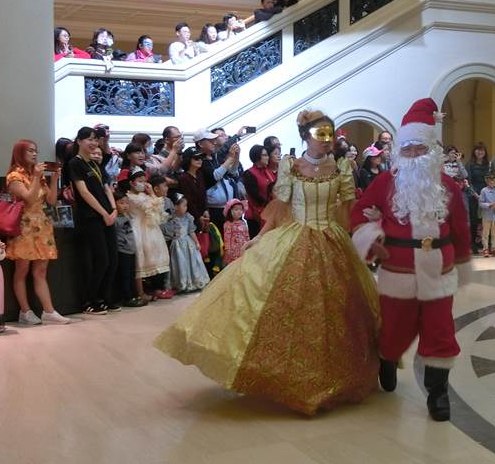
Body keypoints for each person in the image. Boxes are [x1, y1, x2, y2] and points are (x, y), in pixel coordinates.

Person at [155, 109, 380, 415]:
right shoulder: (290, 166)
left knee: (335, 311)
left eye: (330, 133)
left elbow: (348, 210)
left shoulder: (341, 168)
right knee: (286, 307)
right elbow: (280, 208)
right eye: (320, 134)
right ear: (306, 137)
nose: (327, 140)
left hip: (332, 242)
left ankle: (331, 380)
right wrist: (259, 237)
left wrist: (365, 232)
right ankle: (291, 380)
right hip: (295, 239)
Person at [350, 98, 471, 422]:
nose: (415, 155)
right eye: (409, 149)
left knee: (440, 333)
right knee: (393, 331)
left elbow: (460, 227)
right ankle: (387, 359)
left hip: (438, 271)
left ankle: (438, 393)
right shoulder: (384, 183)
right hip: (398, 272)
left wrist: (462, 260)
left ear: (432, 150)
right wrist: (373, 240)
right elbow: (358, 214)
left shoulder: (447, 187)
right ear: (400, 151)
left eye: (421, 148)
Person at [4, 140, 70, 324]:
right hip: (23, 227)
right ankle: (25, 311)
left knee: (40, 271)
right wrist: (35, 176)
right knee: (21, 270)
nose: (34, 154)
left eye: (36, 151)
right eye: (30, 151)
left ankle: (48, 311)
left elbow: (50, 200)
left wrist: (55, 178)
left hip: (42, 226)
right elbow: (29, 198)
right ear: (20, 153)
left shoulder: (38, 175)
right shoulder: (14, 176)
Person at [68, 126, 118, 315]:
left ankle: (104, 298)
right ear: (79, 141)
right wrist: (103, 213)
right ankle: (89, 300)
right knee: (101, 260)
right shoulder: (75, 163)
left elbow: (107, 188)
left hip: (108, 215)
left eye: (95, 140)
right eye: (89, 139)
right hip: (91, 218)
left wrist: (113, 210)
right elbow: (84, 192)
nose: (93, 143)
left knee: (112, 260)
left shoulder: (95, 163)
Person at [126, 169, 172, 301]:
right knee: (140, 260)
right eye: (140, 181)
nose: (143, 184)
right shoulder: (130, 197)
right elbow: (147, 206)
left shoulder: (145, 196)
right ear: (131, 183)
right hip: (138, 229)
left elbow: (158, 209)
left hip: (150, 229)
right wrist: (152, 194)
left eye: (144, 181)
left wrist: (151, 194)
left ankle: (154, 288)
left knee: (151, 258)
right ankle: (140, 292)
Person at [195, 128, 240, 229]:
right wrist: (230, 158)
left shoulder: (214, 156)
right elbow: (215, 176)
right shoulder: (198, 159)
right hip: (213, 209)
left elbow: (232, 172)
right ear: (201, 144)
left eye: (214, 140)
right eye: (210, 141)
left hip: (227, 205)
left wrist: (236, 157)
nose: (214, 143)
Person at [168, 195, 210, 292]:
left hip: (188, 243)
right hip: (177, 244)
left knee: (192, 262)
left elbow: (191, 231)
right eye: (184, 205)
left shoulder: (188, 217)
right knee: (180, 262)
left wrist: (196, 242)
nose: (186, 208)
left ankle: (195, 281)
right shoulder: (171, 218)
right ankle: (182, 283)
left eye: (186, 206)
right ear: (176, 206)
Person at [113, 190, 146, 308]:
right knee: (125, 275)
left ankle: (132, 295)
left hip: (131, 250)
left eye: (127, 203)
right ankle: (126, 297)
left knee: (131, 274)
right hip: (122, 251)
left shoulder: (128, 216)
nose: (125, 205)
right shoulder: (115, 219)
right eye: (121, 203)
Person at [241, 144, 276, 238]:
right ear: (257, 157)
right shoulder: (249, 173)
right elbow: (254, 195)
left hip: (270, 211)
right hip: (256, 215)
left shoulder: (268, 171)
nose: (267, 157)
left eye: (267, 155)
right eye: (264, 155)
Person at [466, 143, 491, 254]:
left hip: (487, 194)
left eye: (482, 150)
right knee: (474, 220)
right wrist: (475, 195)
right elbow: (468, 182)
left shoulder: (488, 165)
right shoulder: (470, 164)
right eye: (477, 150)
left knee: (486, 219)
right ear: (474, 152)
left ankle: (484, 242)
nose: (480, 152)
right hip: (474, 195)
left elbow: (491, 179)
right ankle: (472, 244)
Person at [479, 173, 495, 257]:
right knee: (485, 233)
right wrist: (489, 205)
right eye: (490, 181)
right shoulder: (484, 191)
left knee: (494, 233)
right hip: (486, 215)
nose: (492, 182)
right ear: (487, 181)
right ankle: (485, 248)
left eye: (493, 181)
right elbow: (481, 203)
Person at [195, 210, 223, 278]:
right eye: (204, 217)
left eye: (207, 216)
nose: (206, 219)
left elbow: (218, 237)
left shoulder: (212, 226)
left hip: (213, 249)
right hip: (205, 252)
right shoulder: (198, 227)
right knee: (207, 266)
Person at [222, 199, 249, 265]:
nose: (239, 212)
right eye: (236, 210)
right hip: (233, 250)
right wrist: (228, 249)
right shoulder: (228, 224)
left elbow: (247, 235)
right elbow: (227, 238)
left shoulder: (243, 223)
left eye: (240, 209)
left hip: (243, 247)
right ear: (230, 211)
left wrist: (249, 245)